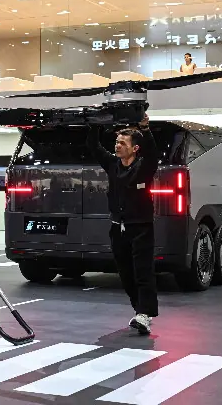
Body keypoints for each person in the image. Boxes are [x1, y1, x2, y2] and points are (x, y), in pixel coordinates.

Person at [87, 114, 159, 335]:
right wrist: (95, 124)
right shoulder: (112, 165)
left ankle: (145, 314)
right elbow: (93, 146)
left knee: (142, 273)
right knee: (126, 274)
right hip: (117, 228)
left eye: (122, 143)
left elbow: (153, 153)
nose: (117, 146)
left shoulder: (144, 167)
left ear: (135, 148)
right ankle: (140, 312)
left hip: (141, 228)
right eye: (116, 142)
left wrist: (145, 129)